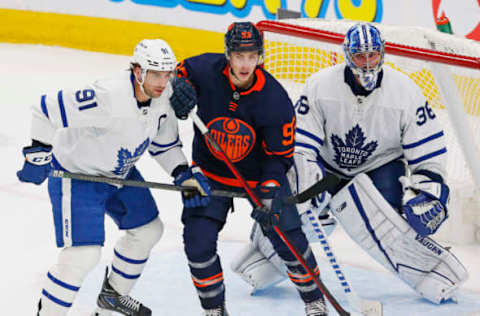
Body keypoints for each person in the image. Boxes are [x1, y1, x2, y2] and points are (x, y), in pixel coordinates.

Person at [235, 22, 469, 304]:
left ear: (382, 54)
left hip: (381, 167)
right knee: (299, 210)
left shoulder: (405, 92)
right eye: (360, 56)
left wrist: (428, 191)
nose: (368, 63)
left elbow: (429, 150)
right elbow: (300, 146)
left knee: (386, 226)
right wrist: (301, 189)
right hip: (327, 165)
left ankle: (438, 276)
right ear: (347, 56)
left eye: (373, 55)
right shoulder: (320, 85)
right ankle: (262, 263)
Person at [17, 39, 211, 316]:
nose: (161, 81)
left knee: (148, 230)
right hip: (79, 174)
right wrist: (38, 153)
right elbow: (45, 109)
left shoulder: (164, 96)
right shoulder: (107, 95)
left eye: (167, 74)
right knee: (82, 256)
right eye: (155, 74)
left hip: (119, 174)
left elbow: (163, 144)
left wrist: (182, 174)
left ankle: (111, 298)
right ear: (137, 71)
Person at [169, 22, 328, 316]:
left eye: (252, 56)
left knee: (286, 235)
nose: (245, 64)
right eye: (239, 56)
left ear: (260, 57)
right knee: (197, 241)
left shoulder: (275, 100)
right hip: (209, 173)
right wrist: (180, 88)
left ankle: (314, 300)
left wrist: (269, 190)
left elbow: (278, 157)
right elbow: (178, 74)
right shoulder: (204, 69)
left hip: (258, 176)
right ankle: (214, 310)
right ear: (228, 55)